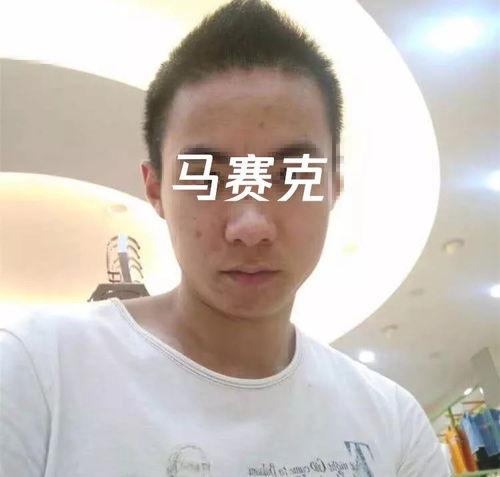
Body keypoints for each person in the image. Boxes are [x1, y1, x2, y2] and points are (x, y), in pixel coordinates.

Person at [0, 1, 449, 476]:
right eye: (207, 177)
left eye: (289, 175)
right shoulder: (35, 370)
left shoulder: (392, 425)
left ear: (332, 188)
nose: (251, 226)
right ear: (155, 189)